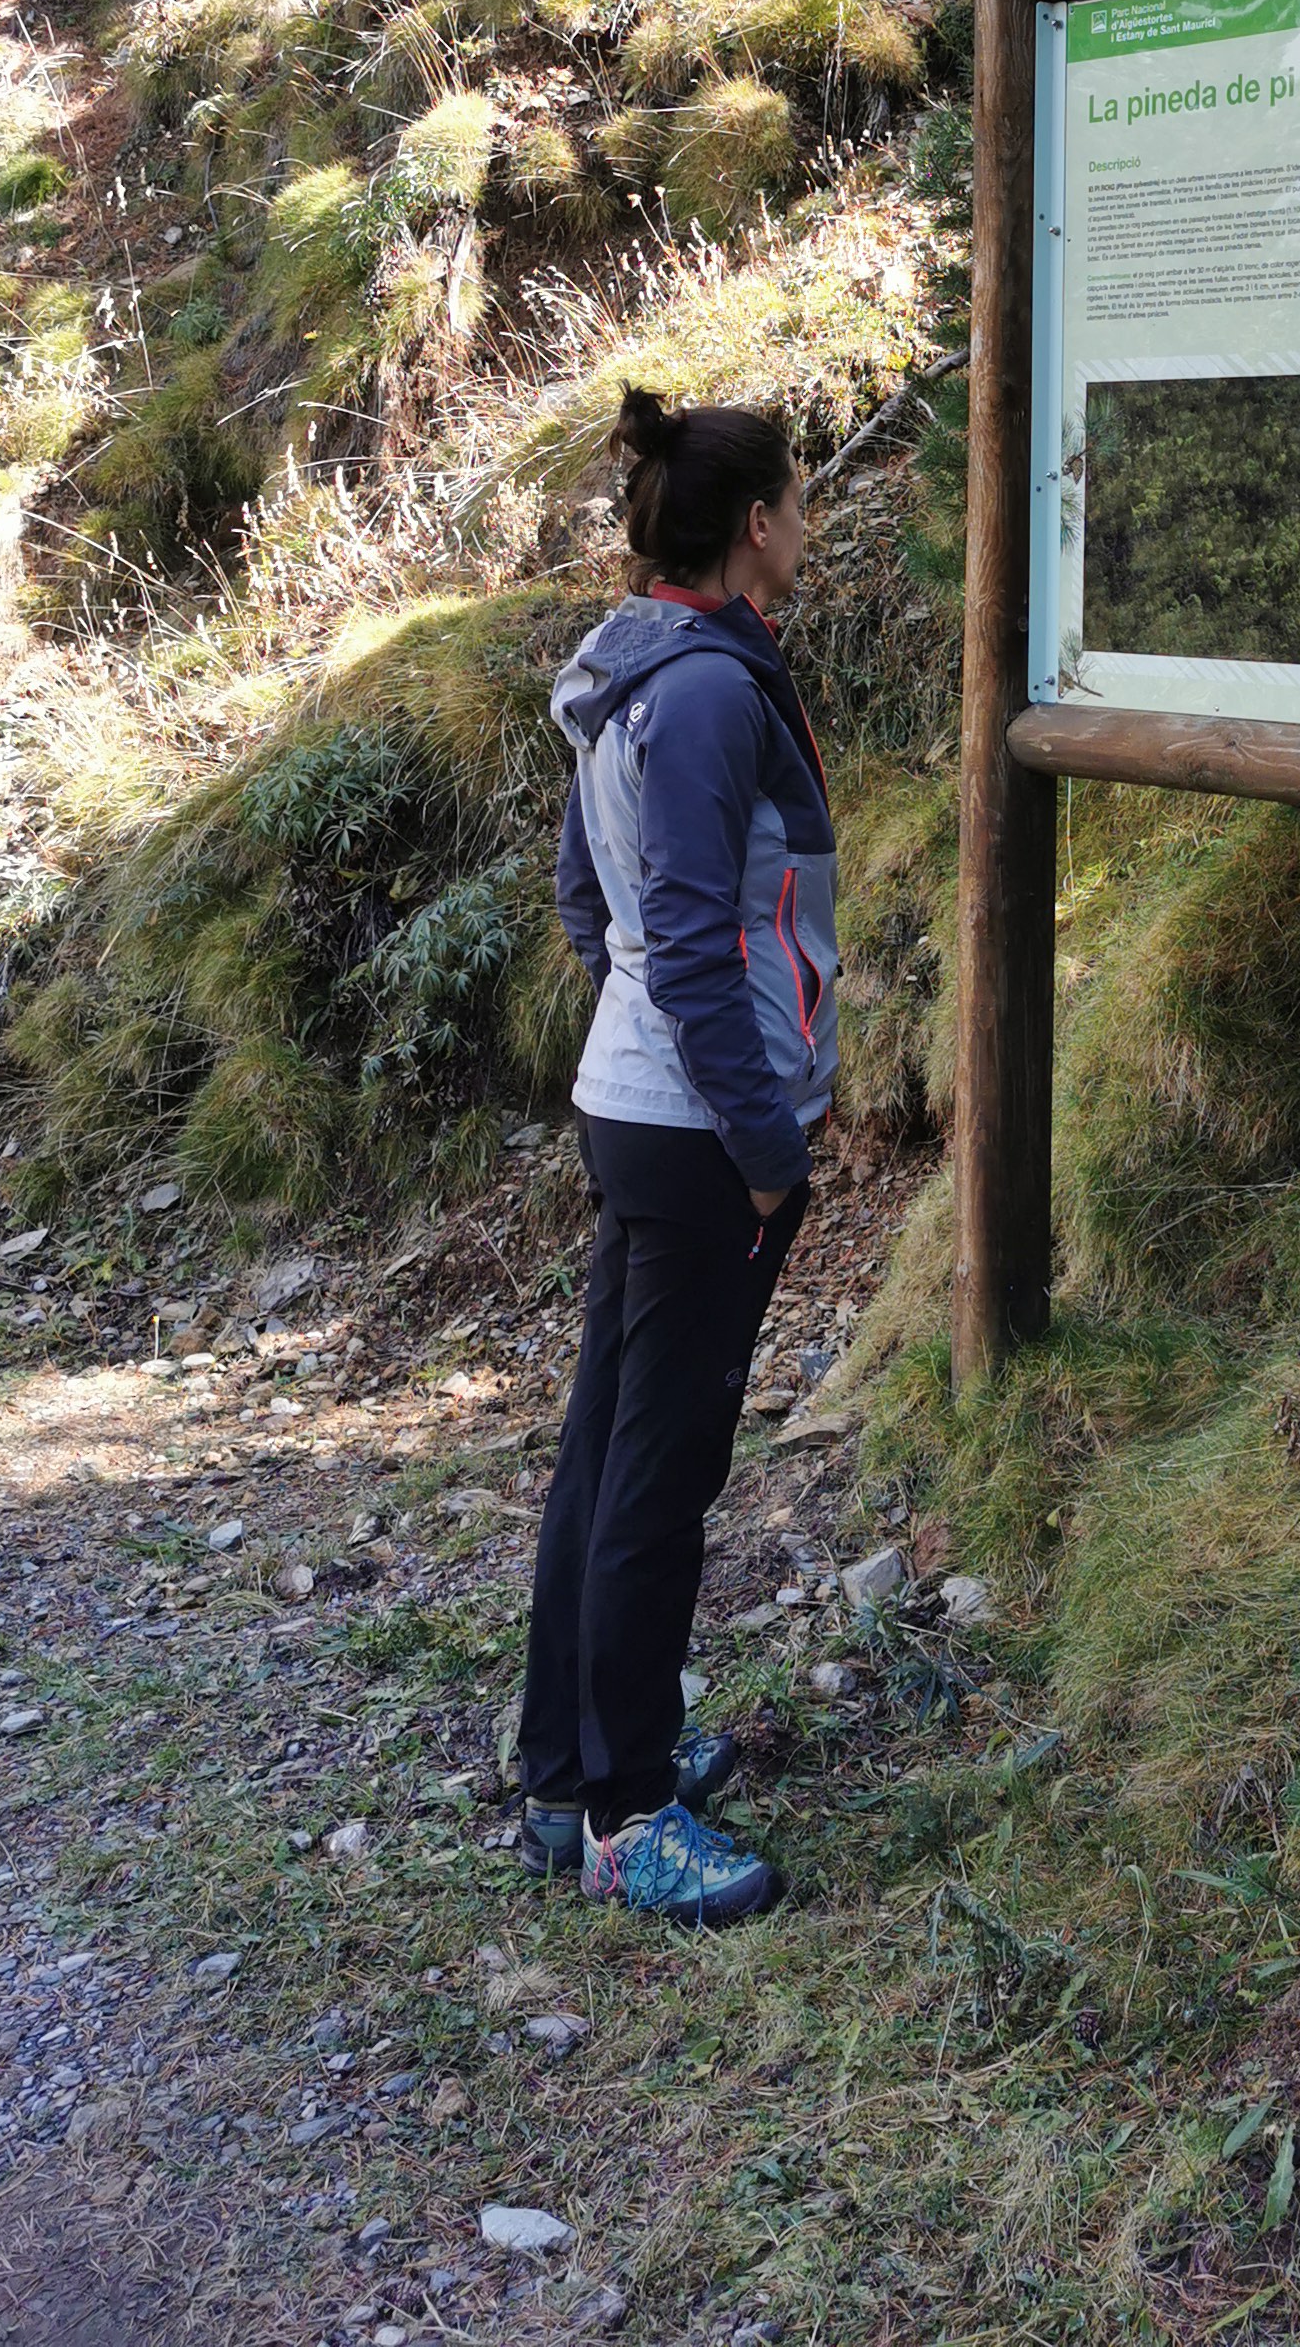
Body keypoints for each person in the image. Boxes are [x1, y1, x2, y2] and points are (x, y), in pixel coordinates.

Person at [513, 387, 837, 1923]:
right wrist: (764, 1148)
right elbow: (696, 950)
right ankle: (628, 1813)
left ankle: (565, 1774)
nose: (809, 524)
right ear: (755, 525)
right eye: (799, 502)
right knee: (658, 1471)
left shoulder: (630, 668)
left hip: (641, 1105)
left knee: (609, 1449)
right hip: (702, 1129)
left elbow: (593, 903)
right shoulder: (706, 693)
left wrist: (644, 1026)